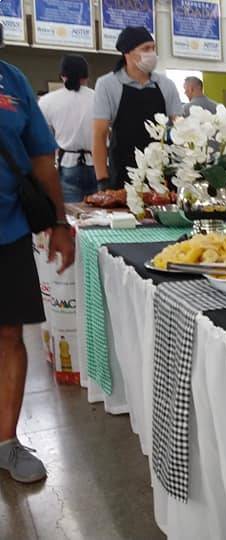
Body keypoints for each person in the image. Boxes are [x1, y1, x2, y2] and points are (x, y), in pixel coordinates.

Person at [0, 56, 75, 484]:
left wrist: (59, 224)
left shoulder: (12, 81)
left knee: (9, 335)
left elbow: (42, 158)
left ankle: (6, 441)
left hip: (8, 230)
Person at [92, 26, 181, 190]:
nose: (151, 53)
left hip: (161, 175)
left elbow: (180, 128)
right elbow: (99, 134)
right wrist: (102, 179)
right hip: (123, 173)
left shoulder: (166, 85)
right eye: (145, 49)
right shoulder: (107, 84)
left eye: (153, 48)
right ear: (127, 53)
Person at [39, 55, 96, 202]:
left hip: (67, 163)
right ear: (86, 76)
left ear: (62, 75)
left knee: (72, 212)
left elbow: (43, 140)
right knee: (99, 211)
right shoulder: (100, 98)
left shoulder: (47, 101)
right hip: (97, 164)